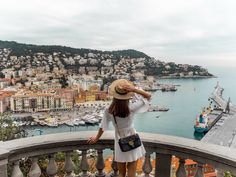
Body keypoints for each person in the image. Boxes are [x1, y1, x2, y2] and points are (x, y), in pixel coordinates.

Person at [87, 79, 151, 177]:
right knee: (132, 165)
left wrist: (97, 138)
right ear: (127, 95)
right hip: (132, 137)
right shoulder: (131, 107)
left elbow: (103, 126)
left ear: (114, 95)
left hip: (119, 139)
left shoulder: (109, 110)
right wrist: (134, 89)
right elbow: (148, 97)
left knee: (121, 172)